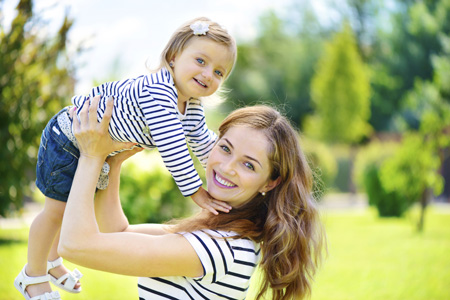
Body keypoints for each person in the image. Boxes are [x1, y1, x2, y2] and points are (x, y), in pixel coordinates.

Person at [15, 17, 236, 300]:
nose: (208, 74)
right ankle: (32, 276)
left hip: (93, 149)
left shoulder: (191, 105)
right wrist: (197, 192)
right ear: (173, 57)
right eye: (201, 61)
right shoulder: (159, 92)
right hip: (69, 138)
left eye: (219, 72)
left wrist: (223, 169)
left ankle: (52, 262)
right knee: (56, 211)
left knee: (70, 208)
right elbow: (173, 146)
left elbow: (202, 141)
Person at [58, 96, 324, 299]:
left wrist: (91, 156)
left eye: (249, 165)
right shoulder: (217, 232)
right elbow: (117, 232)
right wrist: (112, 163)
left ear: (270, 182)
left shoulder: (221, 247)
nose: (227, 167)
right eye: (225, 148)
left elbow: (75, 245)